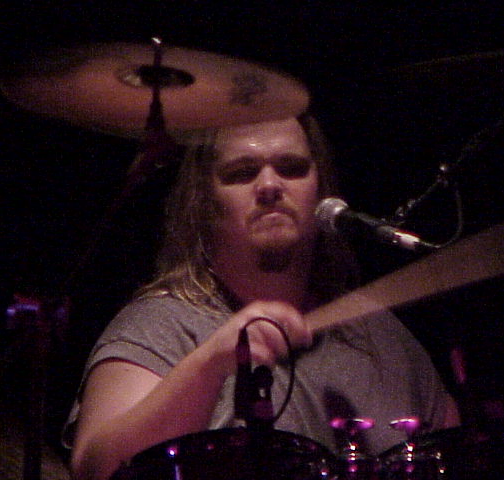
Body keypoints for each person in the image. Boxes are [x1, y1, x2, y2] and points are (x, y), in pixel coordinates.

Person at [63, 114, 460, 480]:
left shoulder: (385, 337)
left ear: (321, 193)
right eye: (242, 173)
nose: (270, 186)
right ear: (203, 202)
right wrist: (208, 365)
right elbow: (97, 467)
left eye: (292, 168)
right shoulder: (160, 326)